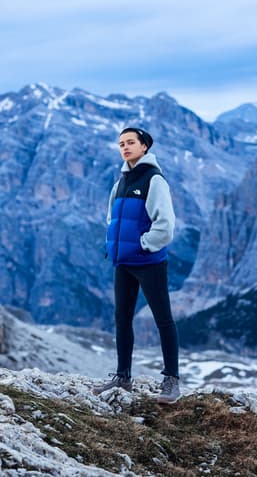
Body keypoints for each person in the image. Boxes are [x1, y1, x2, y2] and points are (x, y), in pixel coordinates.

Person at [92, 127, 181, 404]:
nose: (125, 147)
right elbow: (111, 219)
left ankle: (171, 381)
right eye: (121, 143)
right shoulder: (119, 183)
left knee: (163, 319)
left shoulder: (154, 180)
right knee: (122, 319)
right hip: (123, 263)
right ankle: (122, 376)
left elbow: (165, 225)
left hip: (148, 262)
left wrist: (143, 244)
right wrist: (113, 245)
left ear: (144, 146)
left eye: (131, 142)